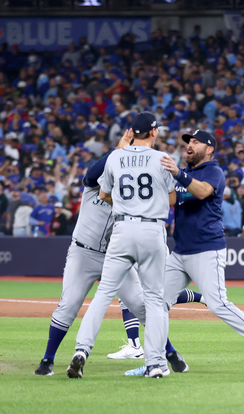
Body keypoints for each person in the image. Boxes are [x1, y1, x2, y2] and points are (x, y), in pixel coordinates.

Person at [36, 127, 200, 377]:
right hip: (83, 253)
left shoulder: (127, 187)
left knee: (141, 306)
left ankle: (169, 352)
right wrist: (119, 148)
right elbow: (93, 174)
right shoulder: (94, 184)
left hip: (114, 253)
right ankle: (47, 360)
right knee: (68, 305)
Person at [153, 129, 244, 378]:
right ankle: (154, 362)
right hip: (180, 251)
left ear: (209, 148)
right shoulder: (186, 174)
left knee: (218, 303)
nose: (189, 144)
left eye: (196, 141)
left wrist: (177, 173)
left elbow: (201, 192)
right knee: (156, 303)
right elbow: (169, 199)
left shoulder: (212, 171)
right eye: (188, 141)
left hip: (206, 249)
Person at [68, 112, 179, 379]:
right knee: (153, 298)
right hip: (152, 228)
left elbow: (104, 193)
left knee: (104, 293)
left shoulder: (116, 157)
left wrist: (124, 207)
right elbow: (173, 199)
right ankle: (154, 362)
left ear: (132, 133)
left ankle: (81, 350)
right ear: (153, 132)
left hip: (121, 228)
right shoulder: (162, 159)